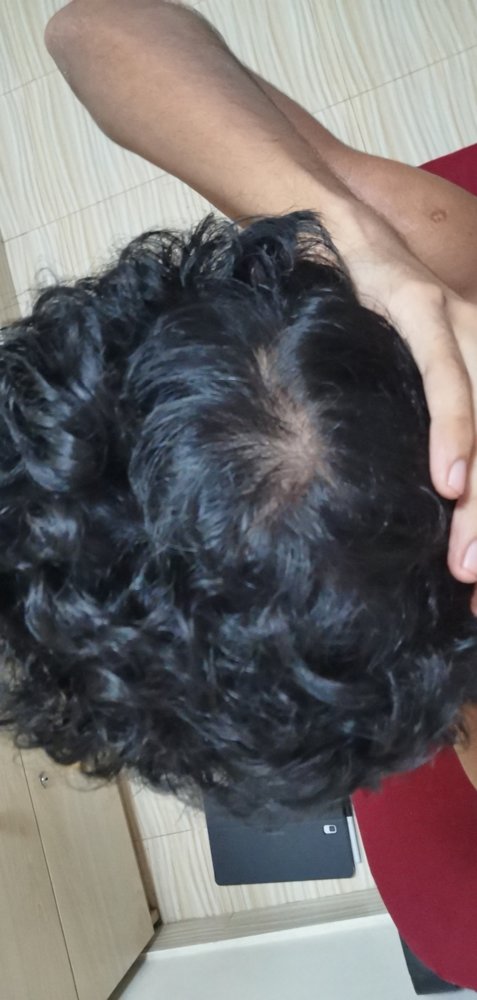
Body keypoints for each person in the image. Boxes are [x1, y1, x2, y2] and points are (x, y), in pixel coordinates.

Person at [0, 0, 476, 819]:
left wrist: (352, 235)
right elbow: (88, 29)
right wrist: (350, 229)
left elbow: (92, 28)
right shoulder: (425, 251)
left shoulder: (425, 252)